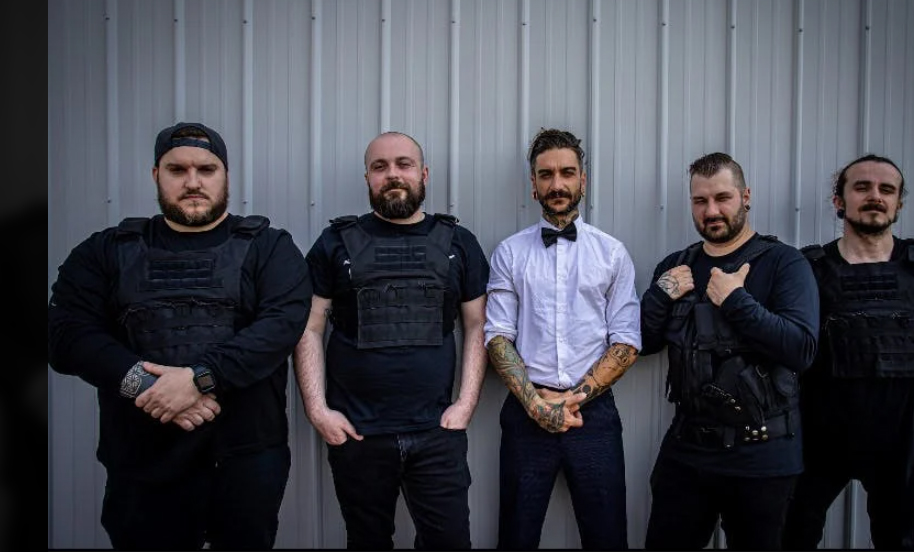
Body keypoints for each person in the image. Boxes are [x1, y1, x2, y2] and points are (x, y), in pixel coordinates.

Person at [47, 122, 313, 550]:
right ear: (157, 174)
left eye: (206, 169)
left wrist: (198, 379)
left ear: (225, 175)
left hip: (244, 456)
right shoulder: (106, 251)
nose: (193, 182)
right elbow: (65, 335)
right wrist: (145, 384)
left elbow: (279, 328)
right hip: (143, 458)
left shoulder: (269, 248)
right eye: (177, 170)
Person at [292, 131, 489, 550]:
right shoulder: (334, 242)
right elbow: (309, 327)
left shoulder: (459, 242)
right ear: (367, 177)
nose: (392, 175)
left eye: (404, 164)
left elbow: (477, 325)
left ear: (424, 174)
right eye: (379, 167)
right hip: (357, 433)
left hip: (436, 431)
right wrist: (318, 411)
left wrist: (466, 403)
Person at [639, 152, 820, 550]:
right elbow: (643, 344)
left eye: (723, 198)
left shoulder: (784, 263)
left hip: (763, 459)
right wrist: (660, 295)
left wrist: (736, 300)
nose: (711, 211)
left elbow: (802, 349)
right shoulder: (677, 266)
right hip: (687, 454)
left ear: (746, 196)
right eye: (700, 201)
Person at [782, 154, 914, 550]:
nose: (875, 196)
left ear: (899, 203)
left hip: (900, 435)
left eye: (886, 189)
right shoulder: (808, 268)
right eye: (862, 187)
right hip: (819, 432)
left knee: (896, 537)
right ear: (839, 200)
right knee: (794, 534)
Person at [484, 128, 641, 550]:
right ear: (533, 185)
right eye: (546, 174)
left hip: (595, 417)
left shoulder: (612, 253)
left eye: (567, 173)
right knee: (516, 538)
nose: (557, 184)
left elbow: (626, 341)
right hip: (525, 412)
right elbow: (497, 336)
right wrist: (536, 405)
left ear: (582, 181)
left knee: (607, 538)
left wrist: (571, 400)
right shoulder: (509, 253)